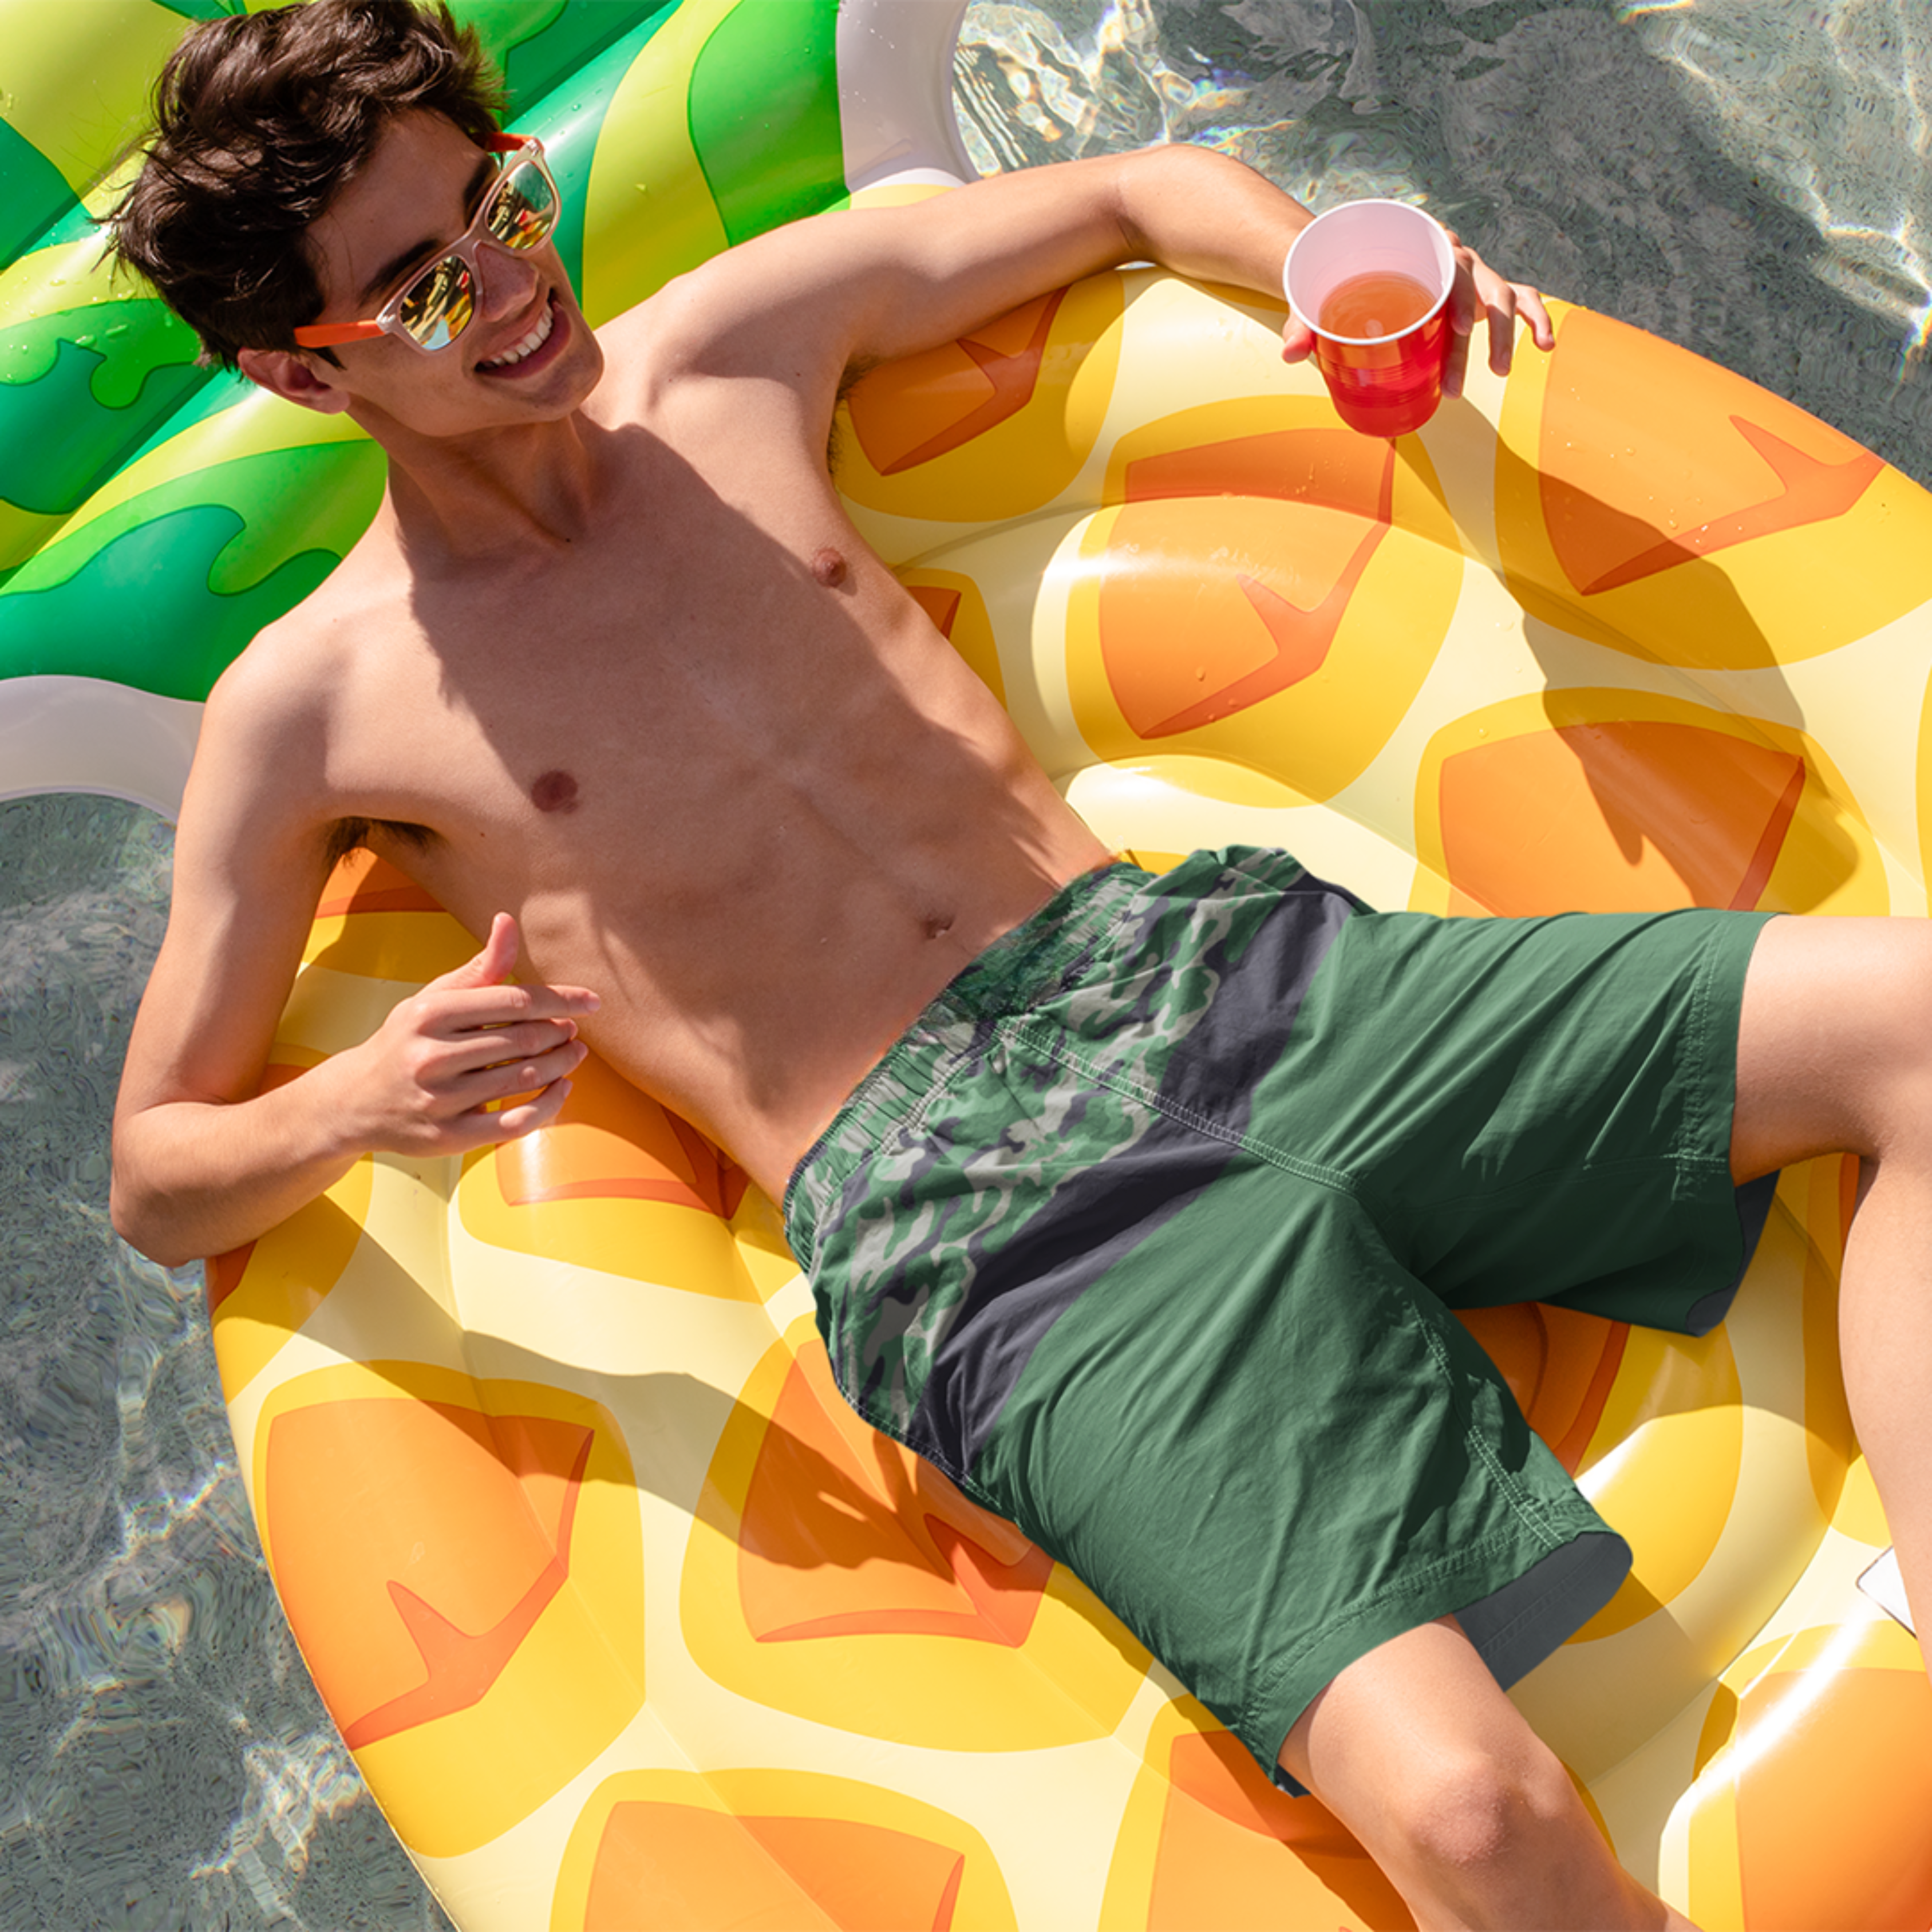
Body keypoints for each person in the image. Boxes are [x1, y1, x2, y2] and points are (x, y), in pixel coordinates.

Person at [105, 3, 1931, 1926]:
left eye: (499, 202)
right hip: (982, 1225)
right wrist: (362, 1094)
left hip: (1205, 979)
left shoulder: (725, 353)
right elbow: (155, 1165)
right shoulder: (310, 706)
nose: (508, 284)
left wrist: (1304, 268)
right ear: (298, 374)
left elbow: (1138, 185)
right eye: (418, 287)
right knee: (1470, 1816)